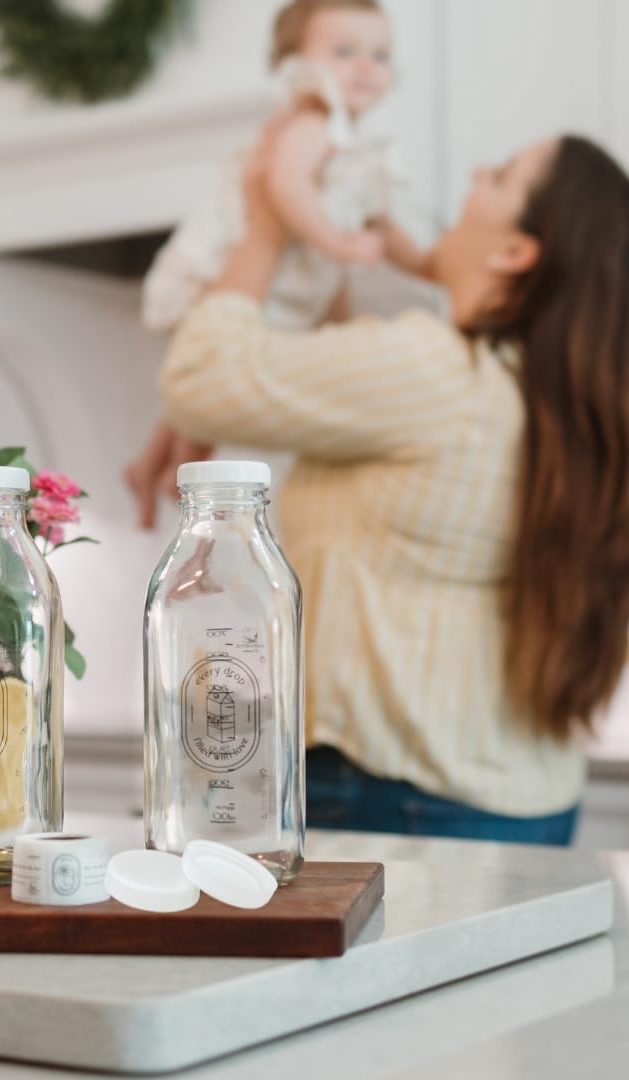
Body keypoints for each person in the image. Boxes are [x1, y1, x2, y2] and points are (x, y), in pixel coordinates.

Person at [154, 130, 629, 844]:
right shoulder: (554, 399)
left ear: (514, 252)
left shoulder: (436, 370)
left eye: (500, 174)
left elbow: (198, 380)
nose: (477, 169)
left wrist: (266, 226)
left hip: (397, 798)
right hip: (526, 798)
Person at [127, 0, 429, 528]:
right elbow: (285, 187)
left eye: (379, 54)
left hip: (278, 288)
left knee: (196, 394)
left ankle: (149, 466)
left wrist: (425, 263)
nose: (365, 66)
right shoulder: (311, 124)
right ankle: (178, 474)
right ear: (297, 64)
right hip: (230, 273)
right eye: (344, 52)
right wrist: (339, 244)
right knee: (208, 397)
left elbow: (381, 221)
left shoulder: (355, 145)